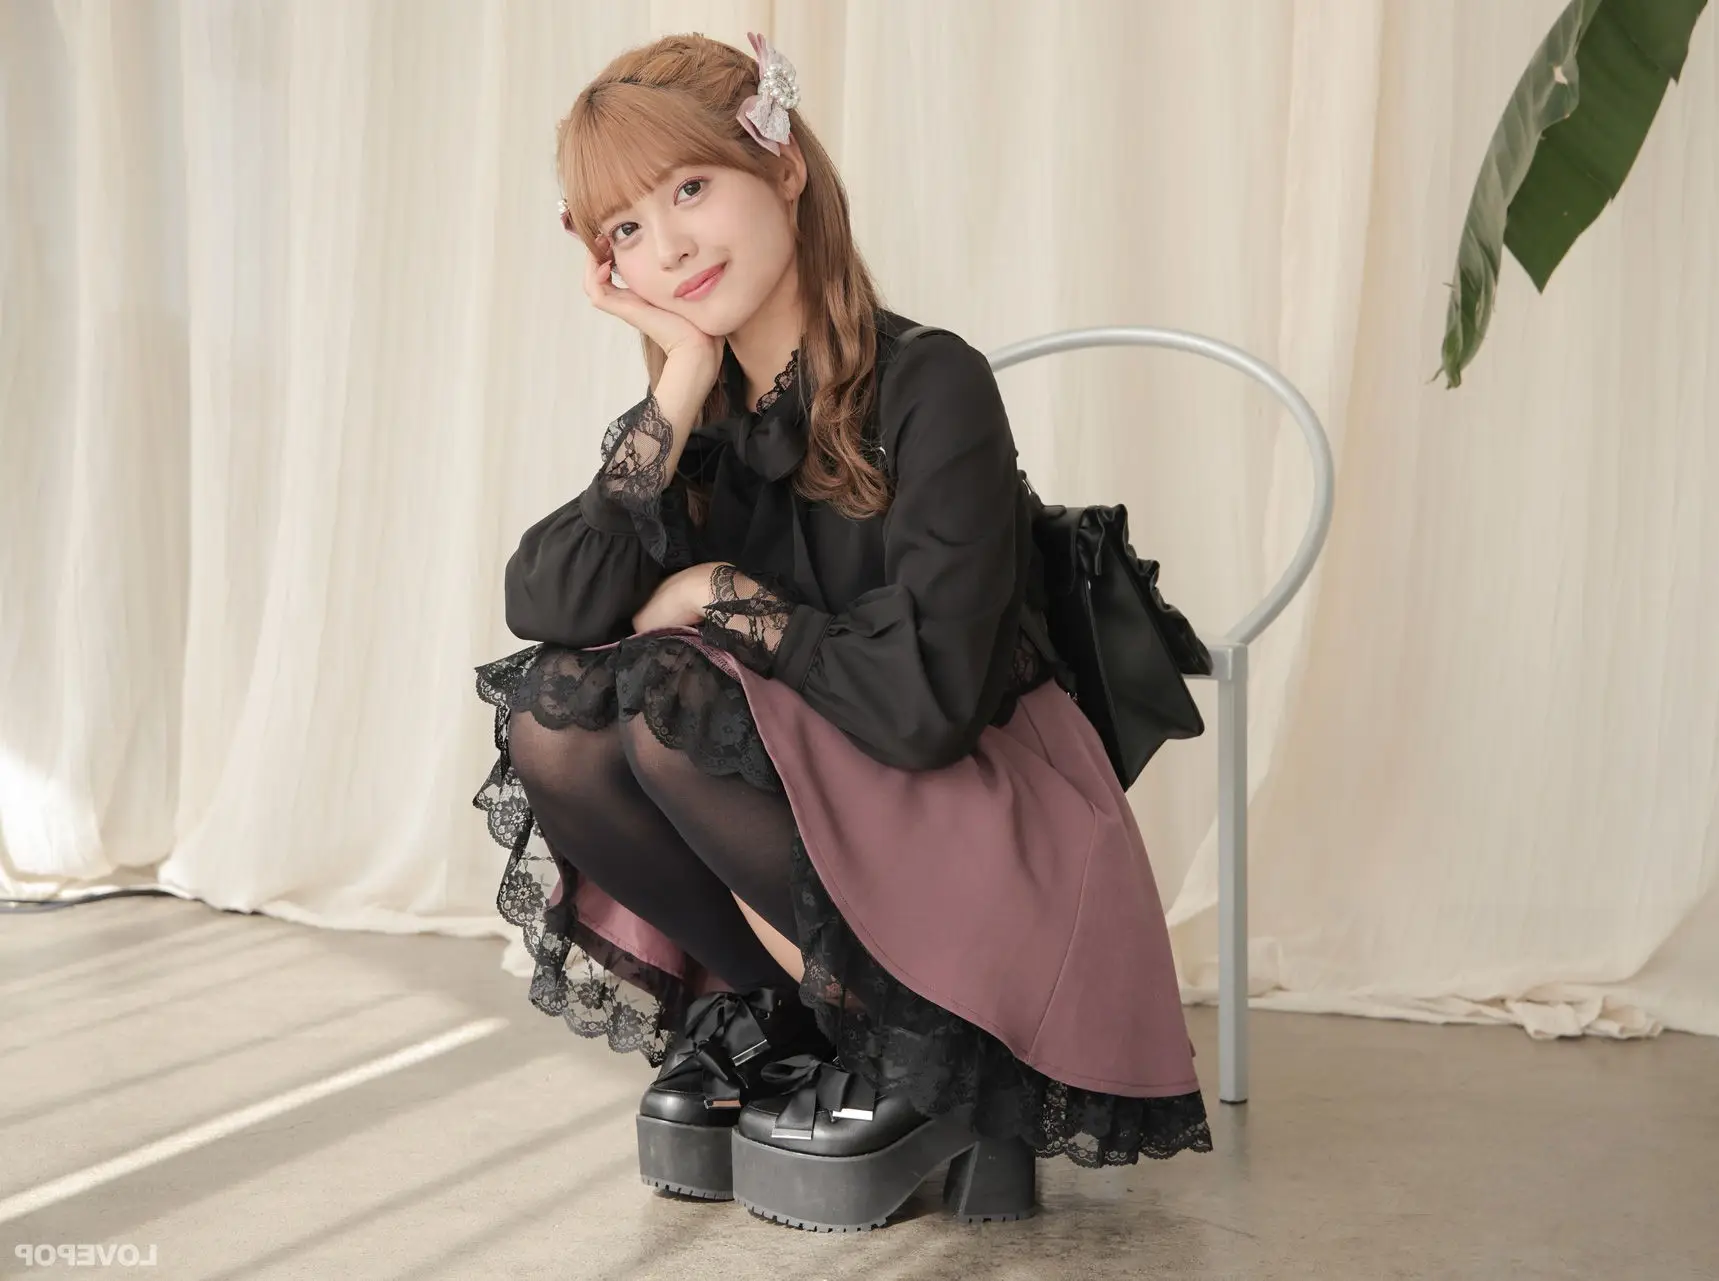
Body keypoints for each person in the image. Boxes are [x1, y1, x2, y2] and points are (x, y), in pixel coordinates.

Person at [472, 30, 1210, 1232]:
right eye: (627, 229)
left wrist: (722, 594)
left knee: (664, 705)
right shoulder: (705, 423)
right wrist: (678, 374)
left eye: (691, 188)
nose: (669, 247)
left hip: (982, 812)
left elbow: (928, 714)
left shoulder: (933, 385)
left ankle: (926, 1051)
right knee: (561, 723)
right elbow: (547, 603)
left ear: (786, 167)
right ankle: (795, 1021)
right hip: (839, 801)